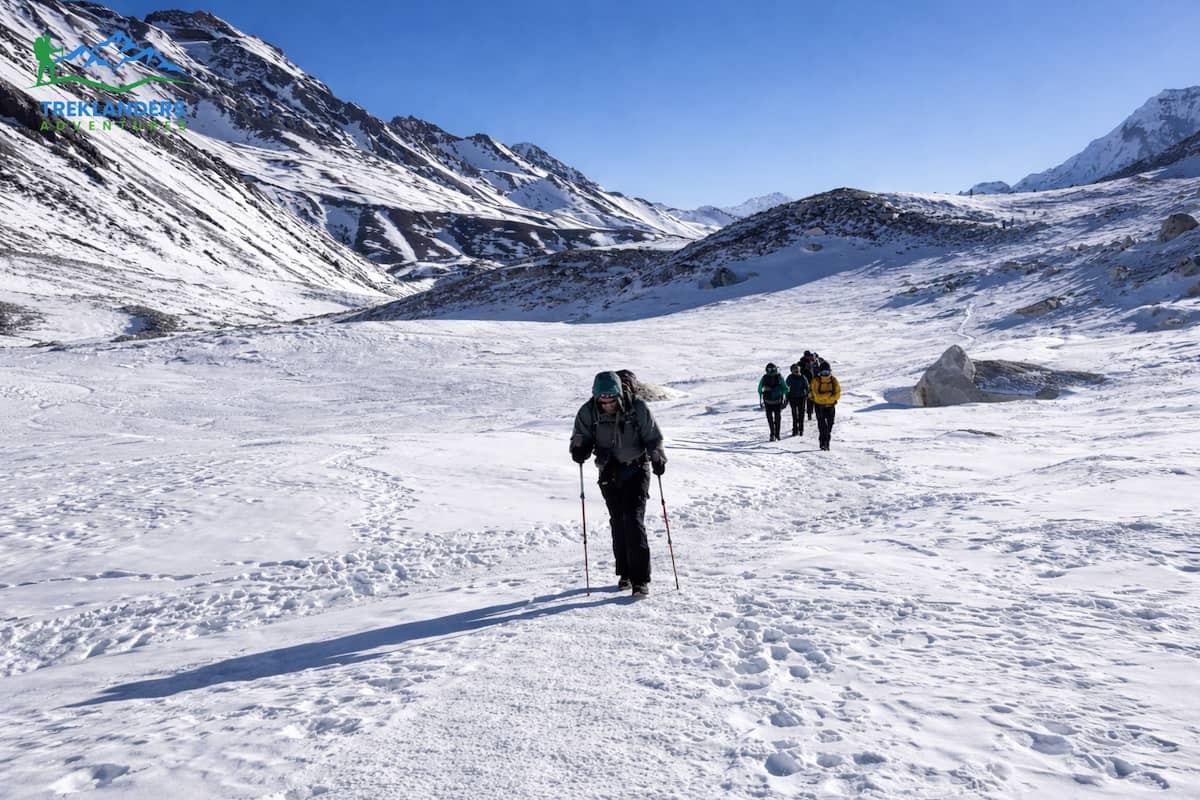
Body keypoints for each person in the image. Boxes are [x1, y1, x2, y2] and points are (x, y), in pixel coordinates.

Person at [570, 371, 666, 597]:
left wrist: (657, 457)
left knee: (632, 520)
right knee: (618, 521)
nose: (606, 402)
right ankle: (625, 573)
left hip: (637, 468)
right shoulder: (588, 411)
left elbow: (653, 437)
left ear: (619, 394)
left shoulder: (637, 407)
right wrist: (579, 450)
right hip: (609, 472)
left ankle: (640, 579)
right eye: (602, 398)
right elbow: (579, 437)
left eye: (611, 398)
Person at [809, 361, 842, 451]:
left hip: (830, 407)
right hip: (819, 407)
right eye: (823, 373)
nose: (825, 375)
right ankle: (823, 443)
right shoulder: (815, 380)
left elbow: (838, 395)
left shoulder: (834, 380)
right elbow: (817, 396)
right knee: (822, 426)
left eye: (827, 372)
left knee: (829, 426)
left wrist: (825, 397)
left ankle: (826, 443)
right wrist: (829, 396)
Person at [757, 363, 788, 441]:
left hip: (767, 401)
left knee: (770, 418)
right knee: (778, 417)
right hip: (778, 401)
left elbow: (759, 389)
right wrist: (781, 393)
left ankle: (772, 434)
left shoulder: (764, 377)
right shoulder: (779, 376)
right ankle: (777, 434)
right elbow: (786, 388)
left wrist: (762, 393)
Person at [785, 363, 809, 437]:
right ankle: (795, 429)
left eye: (798, 369)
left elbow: (807, 386)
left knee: (801, 414)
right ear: (791, 371)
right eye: (795, 370)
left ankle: (801, 429)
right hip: (792, 398)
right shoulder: (789, 378)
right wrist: (786, 398)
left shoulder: (803, 377)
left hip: (802, 397)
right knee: (794, 414)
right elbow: (786, 388)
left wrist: (806, 394)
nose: (797, 371)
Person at [799, 351, 819, 421]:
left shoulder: (815, 362)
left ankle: (813, 412)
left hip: (815, 382)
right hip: (806, 383)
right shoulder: (801, 363)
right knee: (809, 398)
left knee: (814, 398)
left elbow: (818, 371)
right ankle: (809, 413)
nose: (809, 358)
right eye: (807, 356)